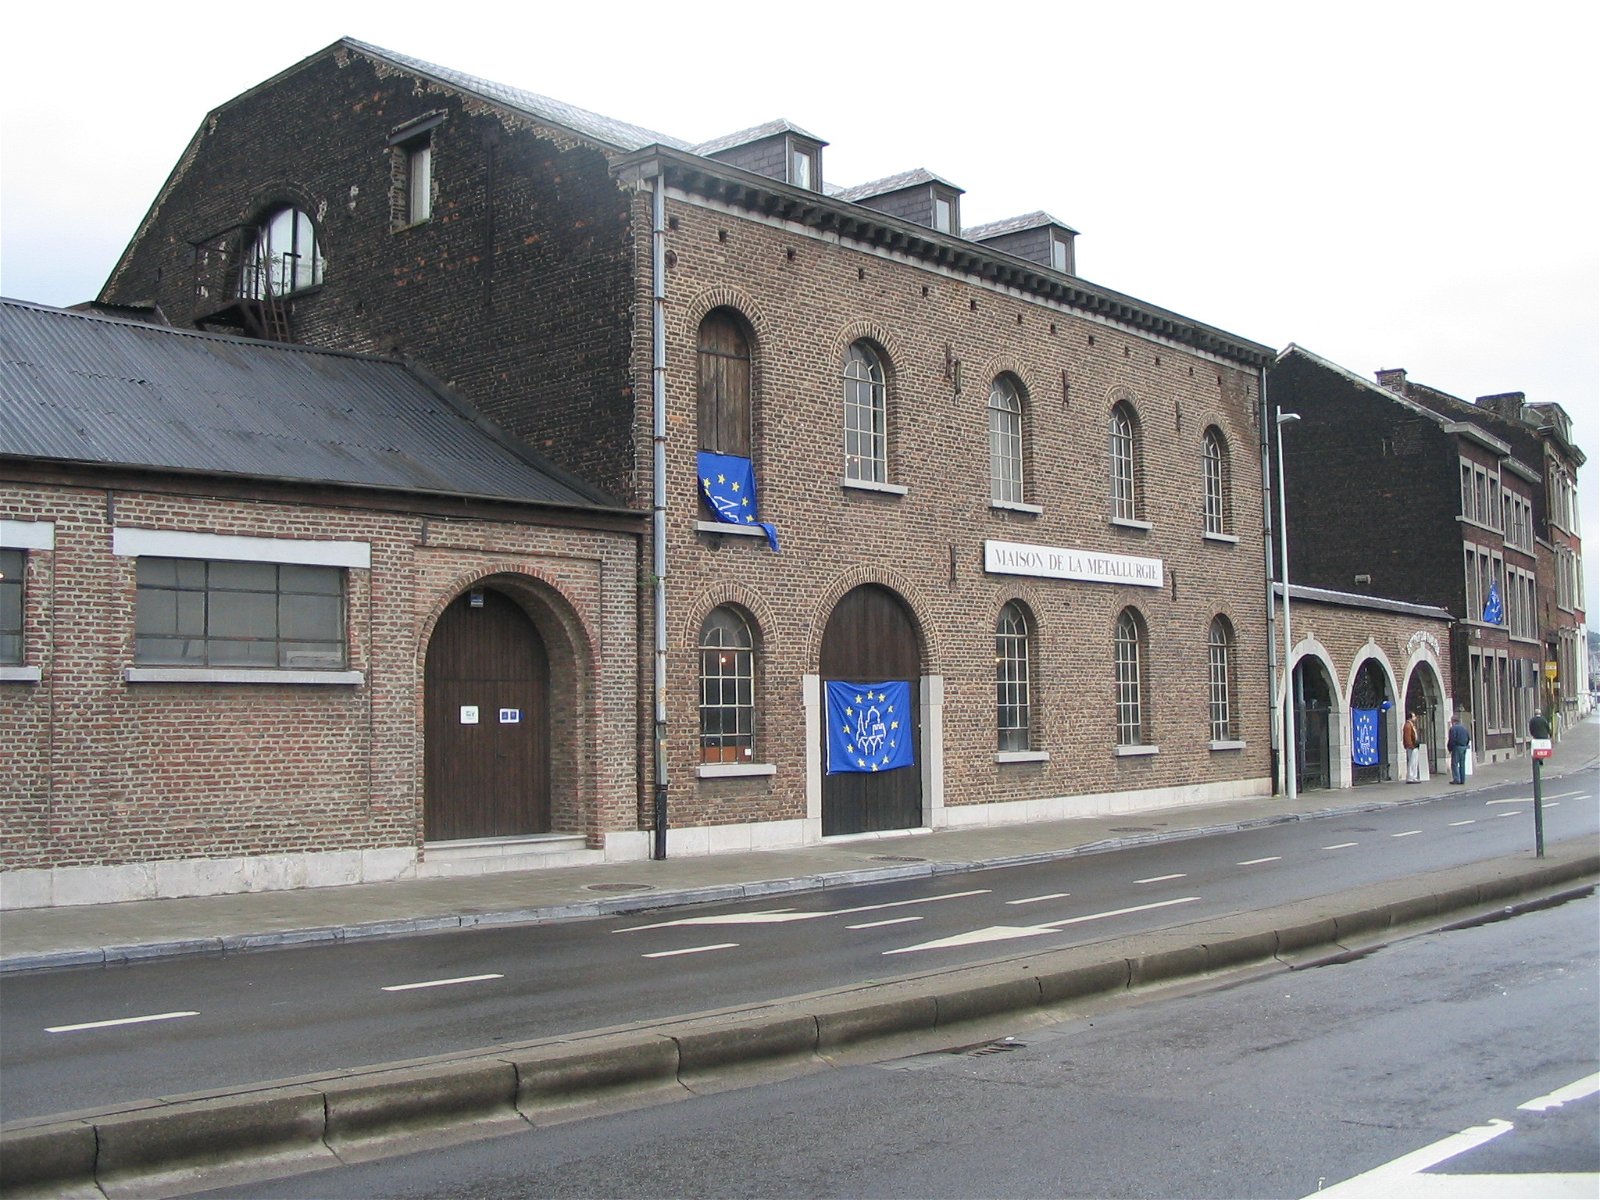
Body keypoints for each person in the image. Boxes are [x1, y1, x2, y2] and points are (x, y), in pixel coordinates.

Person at [1446, 714, 1471, 784]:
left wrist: (1450, 748)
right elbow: (1468, 738)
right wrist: (1465, 745)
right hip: (1464, 747)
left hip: (1457, 747)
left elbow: (1452, 739)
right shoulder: (1464, 728)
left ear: (1453, 721)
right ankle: (1462, 779)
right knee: (1462, 764)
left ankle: (1456, 779)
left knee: (1454, 764)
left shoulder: (1453, 729)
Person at [1403, 712, 1422, 783]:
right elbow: (1407, 737)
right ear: (1410, 718)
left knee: (1414, 762)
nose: (1415, 718)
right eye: (1414, 717)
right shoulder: (1408, 726)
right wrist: (1410, 745)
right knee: (1412, 762)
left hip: (1414, 745)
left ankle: (1414, 776)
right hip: (1412, 746)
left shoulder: (1411, 725)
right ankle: (1411, 777)